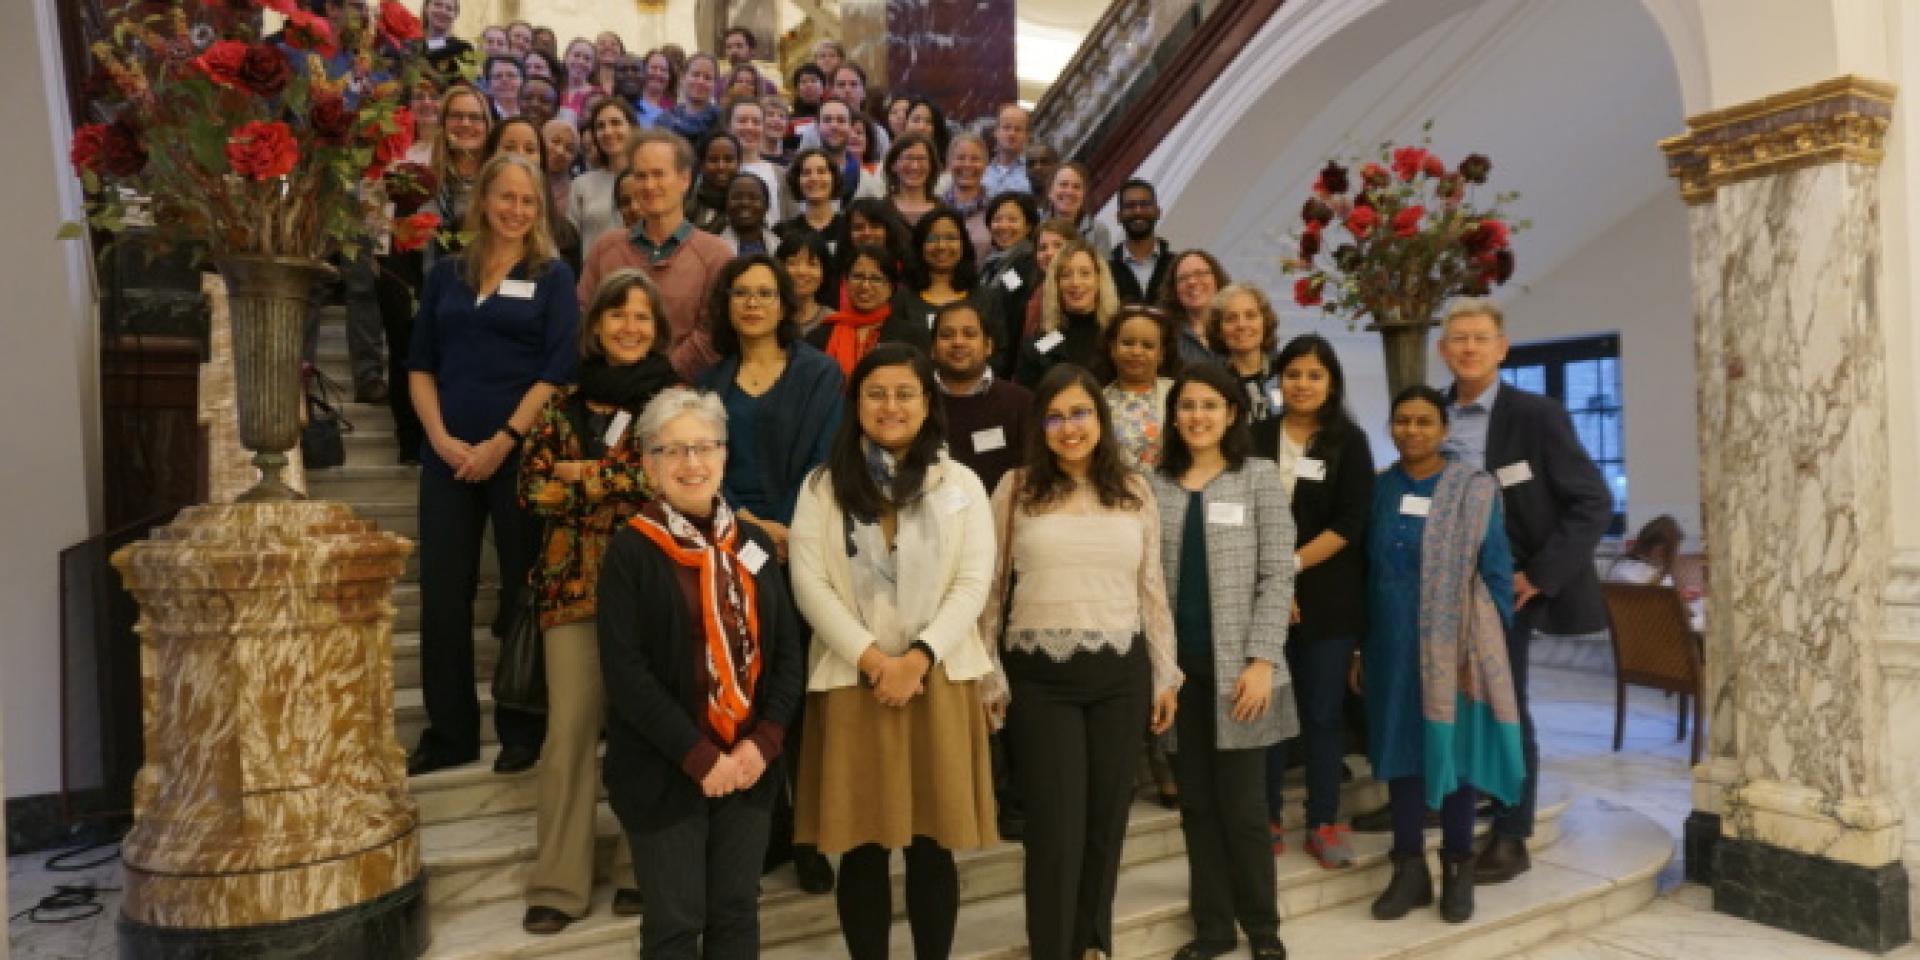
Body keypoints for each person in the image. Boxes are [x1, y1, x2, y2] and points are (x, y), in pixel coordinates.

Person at [788, 343, 1000, 960]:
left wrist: (918, 658)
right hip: (854, 679)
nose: (891, 405)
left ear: (927, 403)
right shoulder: (822, 486)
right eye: (876, 393)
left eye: (905, 393)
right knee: (861, 846)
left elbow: (973, 581)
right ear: (856, 405)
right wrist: (875, 659)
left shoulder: (959, 483)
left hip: (935, 679)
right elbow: (810, 584)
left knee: (933, 845)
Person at [595, 386, 806, 958]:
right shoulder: (631, 552)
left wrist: (762, 745)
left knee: (737, 917)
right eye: (673, 451)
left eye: (704, 447)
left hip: (749, 768)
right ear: (648, 464)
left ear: (724, 455)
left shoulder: (754, 542)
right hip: (666, 770)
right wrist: (700, 757)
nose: (691, 463)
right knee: (673, 927)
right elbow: (626, 675)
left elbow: (787, 654)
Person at [980, 364, 1181, 960]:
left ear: (1101, 418)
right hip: (1040, 680)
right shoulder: (1014, 490)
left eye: (1081, 413)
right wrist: (990, 674)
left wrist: (1164, 673)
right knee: (1055, 830)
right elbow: (990, 590)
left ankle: (1093, 942)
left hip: (1120, 674)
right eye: (1057, 416)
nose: (1070, 427)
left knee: (1104, 823)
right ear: (1040, 424)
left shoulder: (1135, 489)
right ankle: (1052, 947)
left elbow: (1152, 589)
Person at [516, 269, 679, 935]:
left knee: (645, 730)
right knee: (570, 734)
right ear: (597, 327)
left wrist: (585, 475)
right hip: (571, 588)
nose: (629, 327)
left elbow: (673, 477)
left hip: (654, 587)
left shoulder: (675, 406)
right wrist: (621, 479)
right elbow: (532, 489)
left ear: (659, 329)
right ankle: (558, 882)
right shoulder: (561, 404)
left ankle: (644, 871)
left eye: (642, 317)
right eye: (617, 316)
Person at [405, 153, 578, 777]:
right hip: (446, 455)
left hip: (520, 456)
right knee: (442, 596)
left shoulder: (551, 278)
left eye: (528, 202)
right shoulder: (447, 275)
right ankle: (449, 731)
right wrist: (442, 438)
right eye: (505, 198)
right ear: (482, 200)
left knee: (521, 592)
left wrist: (504, 440)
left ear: (540, 210)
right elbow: (420, 365)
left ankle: (521, 726)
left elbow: (556, 372)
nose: (515, 210)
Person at [1435, 298, 1611, 885]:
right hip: (1445, 586)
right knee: (1455, 699)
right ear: (1443, 349)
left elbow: (1592, 501)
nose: (1468, 348)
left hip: (1511, 587)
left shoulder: (1536, 415)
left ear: (1501, 347)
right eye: (1458, 338)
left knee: (1506, 705)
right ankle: (1470, 795)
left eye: (1480, 338)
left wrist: (1539, 575)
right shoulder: (1430, 413)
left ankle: (1513, 834)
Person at [1361, 385, 1525, 925]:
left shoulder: (1474, 490)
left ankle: (1458, 864)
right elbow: (1366, 571)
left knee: (1454, 757)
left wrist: (1484, 643)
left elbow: (1497, 570)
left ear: (1443, 429)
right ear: (1391, 427)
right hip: (1390, 642)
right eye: (1402, 420)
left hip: (1456, 648)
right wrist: (1361, 646)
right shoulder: (1380, 490)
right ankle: (1408, 869)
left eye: (1424, 421)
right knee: (1402, 757)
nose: (1412, 431)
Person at [1147, 363, 1294, 960]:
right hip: (1181, 675)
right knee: (1198, 807)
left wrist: (1262, 658)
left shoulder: (1257, 478)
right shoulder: (1152, 484)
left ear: (1231, 413)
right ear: (1174, 415)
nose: (1197, 417)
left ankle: (1263, 929)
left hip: (1243, 672)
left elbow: (1279, 572)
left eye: (1210, 405)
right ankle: (1212, 929)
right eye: (1187, 406)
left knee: (1245, 809)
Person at [1260, 333, 1372, 868]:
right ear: (1278, 379)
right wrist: (1273, 584)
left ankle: (1323, 819)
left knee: (1324, 715)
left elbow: (1350, 524)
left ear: (1331, 383)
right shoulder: (1255, 435)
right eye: (1293, 373)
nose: (1301, 384)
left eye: (1314, 375)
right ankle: (1266, 817)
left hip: (1328, 599)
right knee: (1267, 712)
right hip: (1263, 598)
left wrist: (1291, 569)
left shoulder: (1349, 441)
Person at [696, 254, 845, 562]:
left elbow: (824, 460)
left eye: (765, 293)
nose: (752, 303)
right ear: (727, 306)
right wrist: (747, 522)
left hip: (806, 527)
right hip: (730, 527)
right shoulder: (708, 384)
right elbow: (703, 466)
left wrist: (783, 526)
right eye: (740, 293)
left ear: (784, 307)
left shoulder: (820, 373)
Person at [578, 129, 734, 381]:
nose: (650, 185)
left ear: (684, 180)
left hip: (683, 394)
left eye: (659, 174)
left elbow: (711, 335)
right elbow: (585, 314)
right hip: (609, 383)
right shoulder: (606, 248)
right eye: (641, 176)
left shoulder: (716, 255)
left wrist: (659, 374)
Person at [932, 301, 1029, 496]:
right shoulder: (916, 405)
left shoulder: (1022, 403)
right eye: (947, 335)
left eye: (969, 334)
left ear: (988, 346)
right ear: (932, 348)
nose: (958, 342)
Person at [1015, 236, 1120, 387]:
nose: (1075, 283)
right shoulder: (1039, 341)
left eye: (1085, 273)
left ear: (1099, 280)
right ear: (1056, 284)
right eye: (1066, 275)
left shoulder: (1117, 335)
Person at [810, 244, 922, 370]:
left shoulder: (912, 337)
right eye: (858, 277)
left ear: (891, 288)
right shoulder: (819, 336)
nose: (865, 286)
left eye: (876, 279)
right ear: (845, 282)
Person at [1101, 304, 1180, 470]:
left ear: (1161, 355)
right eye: (1128, 343)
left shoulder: (1179, 394)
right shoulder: (1097, 401)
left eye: (1148, 345)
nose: (1136, 352)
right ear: (1113, 349)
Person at [899, 206, 978, 339]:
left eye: (951, 238)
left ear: (964, 244)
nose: (941, 246)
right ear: (920, 245)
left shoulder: (986, 298)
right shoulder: (901, 299)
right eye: (932, 238)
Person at [571, 98, 634, 251]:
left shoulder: (649, 180)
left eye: (615, 123)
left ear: (632, 127)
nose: (608, 131)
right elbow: (571, 241)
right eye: (600, 126)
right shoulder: (581, 184)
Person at [1213, 283, 1281, 427]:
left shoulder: (1286, 373)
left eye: (1250, 316)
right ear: (1219, 330)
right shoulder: (1213, 384)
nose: (1241, 325)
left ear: (1265, 322)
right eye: (1231, 318)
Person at [1159, 249, 1230, 366]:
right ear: (1174, 290)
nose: (1191, 282)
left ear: (1216, 279)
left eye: (1200, 273)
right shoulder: (1166, 336)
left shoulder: (1239, 323)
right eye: (1183, 278)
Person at [1110, 179, 1172, 305]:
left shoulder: (1176, 265)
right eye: (1130, 206)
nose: (1138, 211)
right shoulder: (1105, 270)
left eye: (1145, 204)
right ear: (1119, 216)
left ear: (1158, 212)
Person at [815, 98, 887, 202]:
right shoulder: (803, 174)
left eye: (841, 120)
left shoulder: (869, 181)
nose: (834, 126)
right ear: (817, 127)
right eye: (827, 120)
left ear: (849, 127)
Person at [724, 97, 786, 215]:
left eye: (756, 122)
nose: (749, 127)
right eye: (742, 121)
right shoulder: (715, 170)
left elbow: (792, 221)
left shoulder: (780, 174)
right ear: (728, 126)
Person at [938, 133, 992, 256]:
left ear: (985, 165)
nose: (967, 164)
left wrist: (1008, 276)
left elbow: (1010, 258)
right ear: (948, 164)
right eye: (960, 158)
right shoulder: (933, 209)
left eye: (975, 159)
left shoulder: (997, 210)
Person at [777, 229, 835, 335]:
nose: (801, 271)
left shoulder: (835, 322)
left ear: (824, 273)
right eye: (792, 263)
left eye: (812, 264)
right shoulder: (768, 319)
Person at [779, 148, 844, 243]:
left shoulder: (850, 228)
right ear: (797, 181)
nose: (814, 178)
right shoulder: (782, 232)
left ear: (834, 178)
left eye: (821, 171)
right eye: (806, 173)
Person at [686, 131, 742, 234]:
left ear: (739, 164)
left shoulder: (749, 206)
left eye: (728, 160)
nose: (721, 166)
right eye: (713, 160)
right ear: (702, 165)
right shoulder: (686, 207)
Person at [885, 133, 942, 228]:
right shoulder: (880, 211)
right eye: (908, 158)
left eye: (921, 159)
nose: (915, 166)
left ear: (931, 166)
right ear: (893, 165)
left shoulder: (945, 213)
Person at [1608, 515, 1684, 584]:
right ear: (1659, 549)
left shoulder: (1624, 566)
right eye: (1674, 550)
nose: (1676, 555)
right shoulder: (1626, 574)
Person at [667, 53, 722, 140]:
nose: (700, 81)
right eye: (695, 75)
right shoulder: (665, 120)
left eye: (707, 78)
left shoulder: (723, 120)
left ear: (715, 84)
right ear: (682, 78)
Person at [720, 172, 775, 255]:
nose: (745, 203)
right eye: (736, 197)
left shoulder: (780, 247)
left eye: (754, 198)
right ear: (726, 204)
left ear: (766, 205)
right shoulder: (712, 249)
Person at [984, 103, 1032, 198]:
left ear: (1026, 136)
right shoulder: (982, 172)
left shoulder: (1032, 171)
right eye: (1006, 128)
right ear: (996, 132)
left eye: (1018, 129)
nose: (1011, 134)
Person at [419, 0, 471, 78]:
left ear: (455, 15)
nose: (443, 11)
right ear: (426, 8)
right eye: (437, 5)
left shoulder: (464, 49)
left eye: (449, 8)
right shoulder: (410, 47)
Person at [558, 37, 599, 118]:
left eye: (587, 58)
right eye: (576, 55)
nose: (581, 61)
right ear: (566, 58)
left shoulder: (598, 95)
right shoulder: (555, 90)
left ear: (593, 66)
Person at [484, 55, 524, 119]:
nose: (505, 81)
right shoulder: (483, 113)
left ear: (522, 81)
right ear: (488, 83)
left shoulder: (529, 112)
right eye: (498, 76)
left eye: (511, 75)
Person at [641, 49, 678, 114]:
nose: (658, 73)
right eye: (654, 68)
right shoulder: (629, 104)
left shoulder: (674, 109)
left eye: (663, 70)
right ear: (643, 70)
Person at [1025, 143, 1061, 210]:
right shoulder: (1020, 208)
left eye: (1044, 162)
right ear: (1025, 171)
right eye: (1031, 164)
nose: (1037, 168)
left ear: (1058, 166)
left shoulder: (1071, 205)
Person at [760, 96, 793, 166]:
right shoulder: (749, 157)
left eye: (781, 116)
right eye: (770, 115)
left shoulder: (792, 160)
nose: (777, 120)